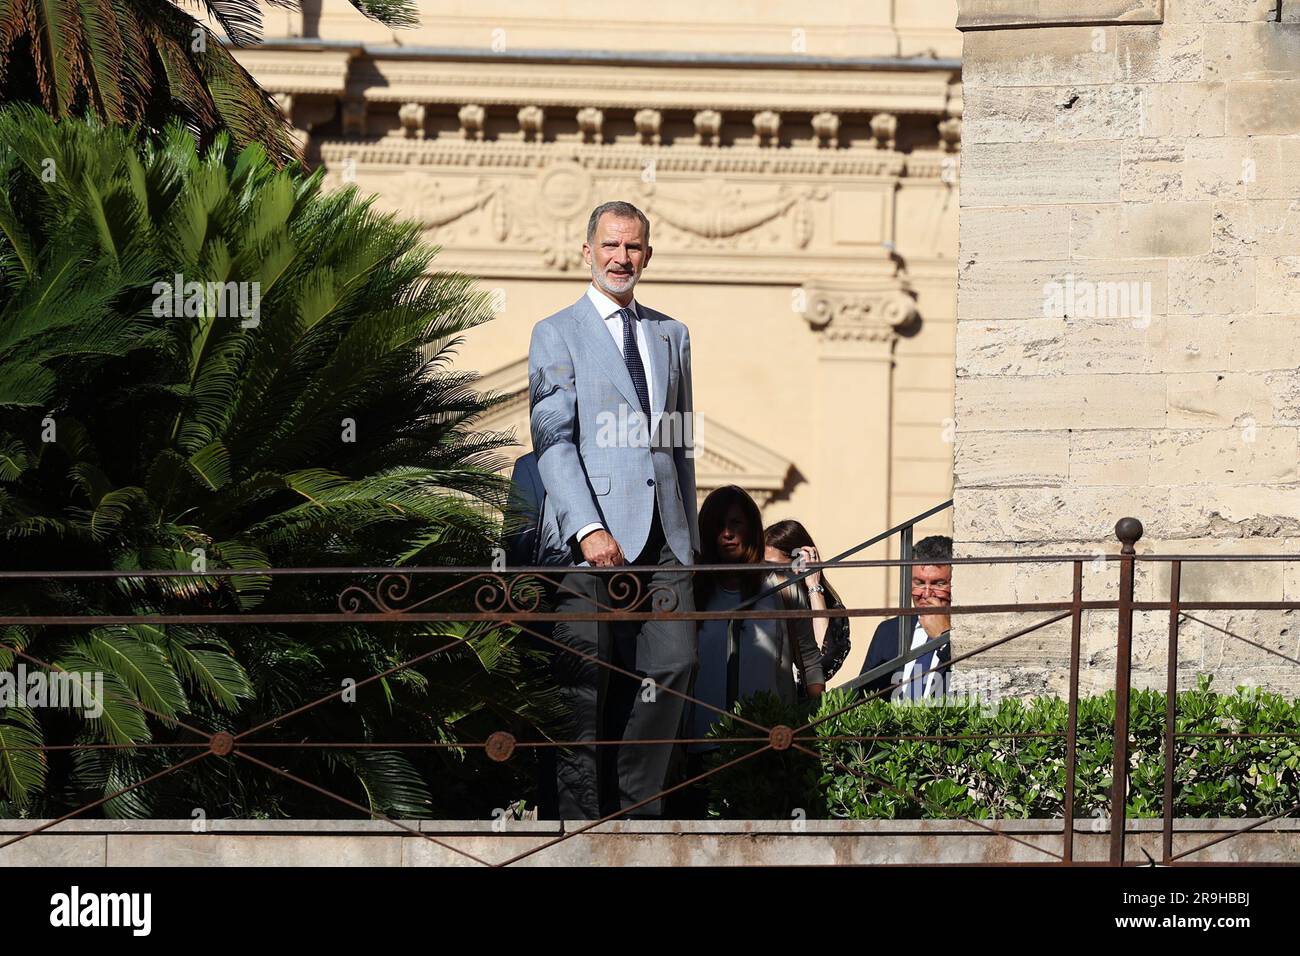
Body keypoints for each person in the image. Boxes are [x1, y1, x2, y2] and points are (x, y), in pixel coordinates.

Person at [527, 200, 699, 819]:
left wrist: (690, 539)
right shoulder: (556, 331)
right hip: (589, 539)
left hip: (667, 539)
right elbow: (553, 442)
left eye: (632, 248)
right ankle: (578, 821)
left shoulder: (672, 334)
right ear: (587, 251)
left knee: (674, 664)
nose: (620, 258)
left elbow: (679, 441)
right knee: (584, 682)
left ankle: (637, 811)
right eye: (609, 246)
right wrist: (588, 527)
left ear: (647, 256)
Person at [855, 535, 953, 701]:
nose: (927, 593)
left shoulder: (972, 632)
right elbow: (864, 696)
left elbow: (980, 692)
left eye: (938, 583)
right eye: (919, 582)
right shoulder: (889, 631)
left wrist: (944, 638)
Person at [763, 519, 852, 687]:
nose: (769, 576)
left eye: (774, 568)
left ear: (800, 562)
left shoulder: (832, 609)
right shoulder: (762, 601)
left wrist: (813, 586)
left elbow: (821, 660)